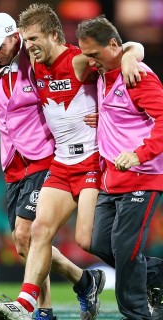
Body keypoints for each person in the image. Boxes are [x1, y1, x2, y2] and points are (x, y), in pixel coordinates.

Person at [0, 4, 147, 320]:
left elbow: (126, 50)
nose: (29, 47)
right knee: (38, 230)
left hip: (92, 162)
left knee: (87, 241)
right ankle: (29, 306)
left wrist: (129, 54)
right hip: (61, 163)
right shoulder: (32, 64)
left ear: (54, 35)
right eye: (25, 41)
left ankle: (146, 276)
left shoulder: (78, 61)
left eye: (34, 39)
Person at [76, 15, 163, 320]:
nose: (90, 62)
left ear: (113, 45)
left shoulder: (137, 75)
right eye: (85, 55)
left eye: (94, 55)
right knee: (97, 242)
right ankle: (158, 275)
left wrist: (140, 154)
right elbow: (124, 114)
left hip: (143, 176)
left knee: (126, 251)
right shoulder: (106, 72)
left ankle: (138, 315)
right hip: (112, 179)